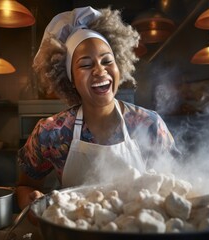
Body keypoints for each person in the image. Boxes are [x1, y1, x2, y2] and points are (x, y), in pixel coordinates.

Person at [16, 6, 179, 215]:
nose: (100, 71)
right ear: (70, 79)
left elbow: (175, 185)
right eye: (85, 64)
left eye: (107, 61)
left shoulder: (149, 124)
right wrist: (31, 202)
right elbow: (24, 186)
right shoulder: (51, 133)